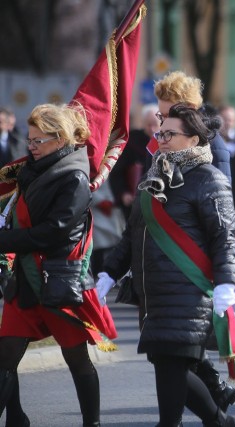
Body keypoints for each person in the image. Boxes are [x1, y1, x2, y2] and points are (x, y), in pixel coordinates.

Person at [97, 104, 235, 427]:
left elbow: (224, 238)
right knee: (167, 364)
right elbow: (132, 234)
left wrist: (225, 284)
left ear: (193, 139)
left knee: (172, 369)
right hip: (154, 297)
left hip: (190, 293)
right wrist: (109, 272)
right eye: (160, 131)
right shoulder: (154, 176)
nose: (161, 138)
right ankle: (220, 422)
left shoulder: (209, 178)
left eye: (170, 133)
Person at [0, 103, 117, 426]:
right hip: (24, 279)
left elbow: (54, 232)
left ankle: (91, 422)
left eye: (39, 141)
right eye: (31, 140)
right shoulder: (31, 171)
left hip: (57, 281)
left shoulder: (74, 178)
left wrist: (4, 241)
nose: (32, 147)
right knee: (5, 355)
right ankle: (16, 419)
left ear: (61, 138)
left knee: (76, 358)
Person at [147, 71, 235, 411]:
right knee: (172, 351)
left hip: (188, 257)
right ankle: (217, 395)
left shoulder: (210, 143)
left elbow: (220, 204)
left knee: (175, 351)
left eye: (168, 112)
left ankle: (215, 401)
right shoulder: (162, 139)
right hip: (161, 255)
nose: (162, 120)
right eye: (160, 114)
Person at [153, 71, 231, 181]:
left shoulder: (214, 144)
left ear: (191, 107)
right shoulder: (158, 141)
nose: (165, 122)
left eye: (170, 115)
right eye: (162, 116)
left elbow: (222, 193)